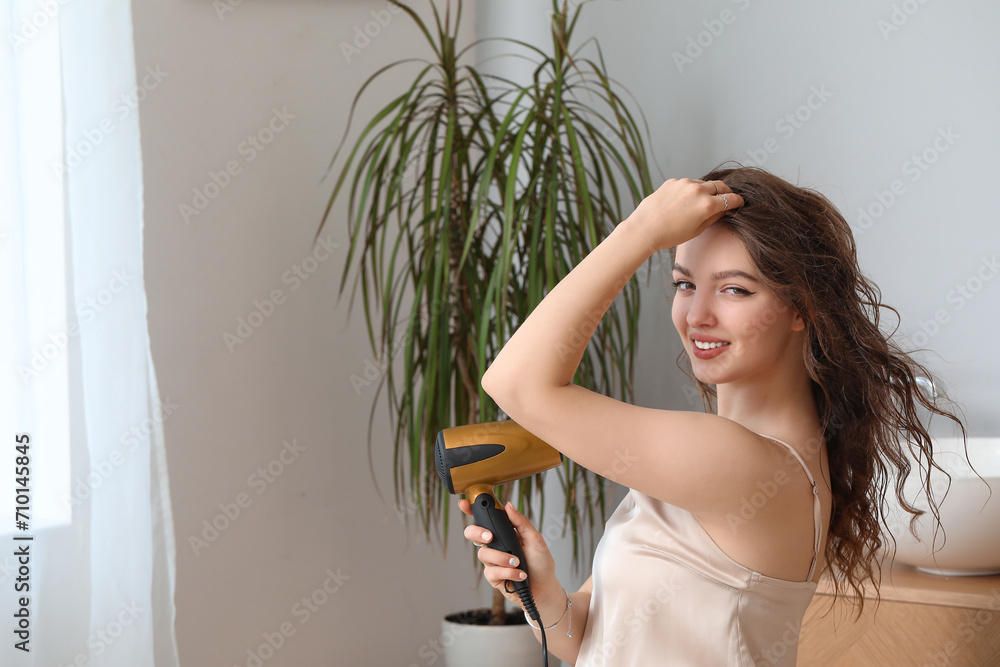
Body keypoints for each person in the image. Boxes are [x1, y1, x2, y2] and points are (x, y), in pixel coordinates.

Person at [459, 163, 967, 666]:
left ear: (802, 308)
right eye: (685, 284)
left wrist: (641, 230)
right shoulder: (725, 458)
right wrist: (546, 595)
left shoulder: (741, 462)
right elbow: (590, 640)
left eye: (734, 289)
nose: (697, 315)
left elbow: (515, 383)